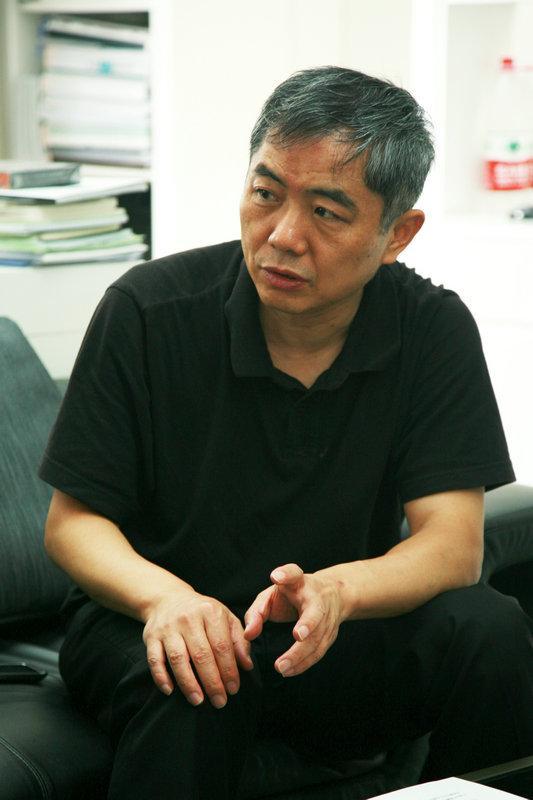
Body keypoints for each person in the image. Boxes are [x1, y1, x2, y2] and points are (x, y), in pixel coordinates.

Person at [40, 66, 533, 800]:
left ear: (396, 234)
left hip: (330, 630)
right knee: (201, 673)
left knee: (487, 630)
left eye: (327, 212)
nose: (282, 236)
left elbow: (452, 545)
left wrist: (339, 591)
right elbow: (72, 524)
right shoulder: (147, 310)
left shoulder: (432, 329)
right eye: (266, 193)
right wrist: (166, 601)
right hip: (152, 618)